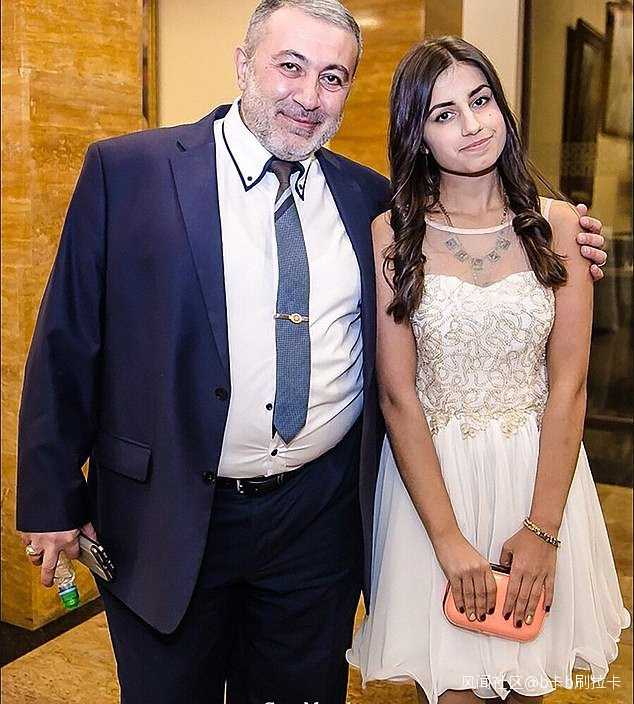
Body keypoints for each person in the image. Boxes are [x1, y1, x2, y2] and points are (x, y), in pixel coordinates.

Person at [16, 3, 607, 703]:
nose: (309, 95)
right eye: (290, 66)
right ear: (243, 64)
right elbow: (67, 340)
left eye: (333, 77)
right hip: (168, 513)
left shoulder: (371, 203)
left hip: (317, 521)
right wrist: (51, 498)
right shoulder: (130, 172)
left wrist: (569, 244)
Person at [346, 36, 630, 704]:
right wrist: (447, 540)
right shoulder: (393, 234)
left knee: (529, 679)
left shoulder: (561, 226)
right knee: (454, 689)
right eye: (443, 114)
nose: (472, 125)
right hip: (432, 484)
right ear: (417, 135)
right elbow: (398, 396)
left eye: (481, 101)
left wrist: (542, 530)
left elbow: (569, 386)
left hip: (540, 474)